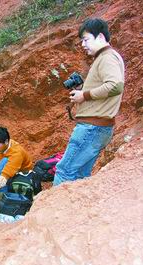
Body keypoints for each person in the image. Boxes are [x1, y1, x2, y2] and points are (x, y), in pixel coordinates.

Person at [53, 18, 125, 186]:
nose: (83, 45)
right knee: (80, 174)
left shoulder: (107, 57)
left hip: (92, 127)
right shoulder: (104, 58)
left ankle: (52, 211)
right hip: (98, 127)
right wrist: (83, 89)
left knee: (65, 171)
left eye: (86, 40)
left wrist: (84, 95)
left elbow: (115, 85)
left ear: (100, 36)